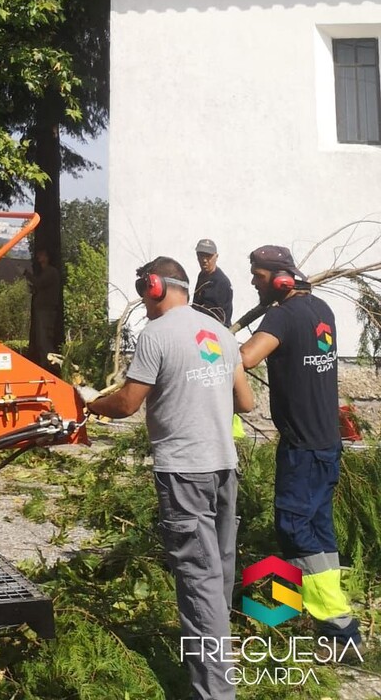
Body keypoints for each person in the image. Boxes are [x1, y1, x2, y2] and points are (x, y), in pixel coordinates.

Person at [85, 257, 253, 700]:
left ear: (155, 287)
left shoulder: (155, 335)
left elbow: (126, 404)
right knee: (218, 575)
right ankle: (218, 665)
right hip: (224, 466)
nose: (143, 300)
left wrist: (89, 403)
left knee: (198, 583)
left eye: (143, 291)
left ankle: (214, 692)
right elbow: (246, 401)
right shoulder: (220, 333)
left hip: (184, 472)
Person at [238, 245, 362, 661]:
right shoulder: (320, 309)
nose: (253, 282)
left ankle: (336, 622)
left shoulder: (282, 316)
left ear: (280, 280)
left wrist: (208, 343)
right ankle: (337, 628)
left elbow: (246, 358)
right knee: (318, 530)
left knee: (293, 526)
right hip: (325, 441)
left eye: (257, 277)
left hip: (303, 446)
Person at [25, 243, 63, 368]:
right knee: (41, 339)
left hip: (46, 310)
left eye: (41, 255)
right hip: (43, 309)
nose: (38, 257)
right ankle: (45, 363)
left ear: (47, 257)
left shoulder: (51, 272)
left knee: (44, 339)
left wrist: (26, 274)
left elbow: (39, 283)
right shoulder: (46, 272)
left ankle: (50, 365)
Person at [193, 239, 233, 326]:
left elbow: (221, 318)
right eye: (201, 255)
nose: (204, 260)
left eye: (208, 256)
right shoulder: (202, 275)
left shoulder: (221, 283)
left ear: (216, 256)